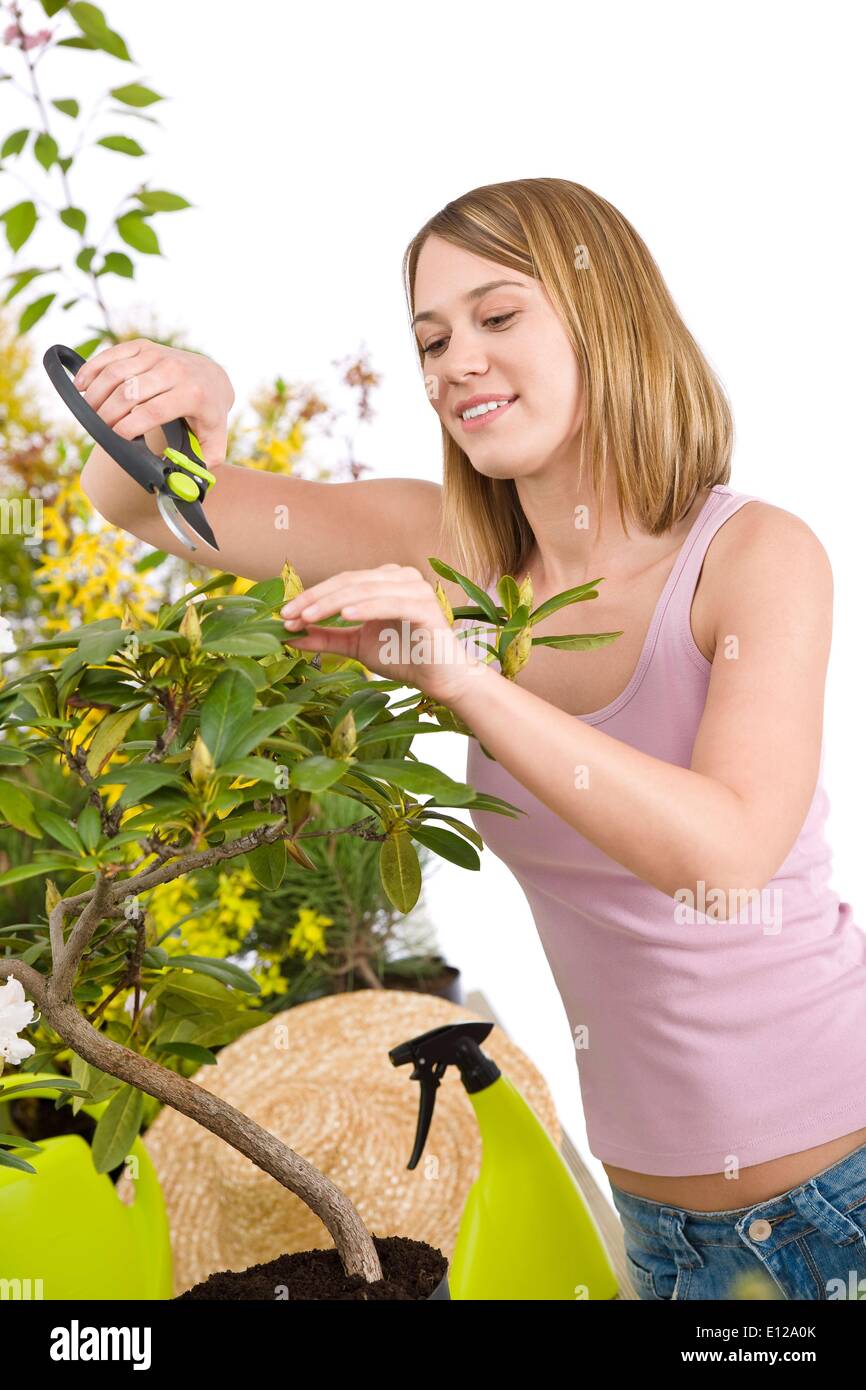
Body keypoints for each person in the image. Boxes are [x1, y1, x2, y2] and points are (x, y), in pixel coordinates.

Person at [78, 177, 866, 1300]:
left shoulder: (752, 557)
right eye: (431, 337)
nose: (455, 362)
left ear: (610, 322)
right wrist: (189, 399)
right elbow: (145, 501)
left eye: (497, 318)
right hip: (662, 1229)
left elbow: (726, 855)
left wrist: (463, 678)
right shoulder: (450, 547)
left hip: (839, 1192)